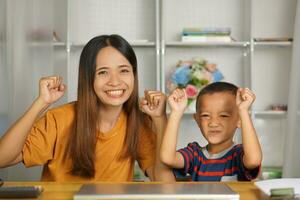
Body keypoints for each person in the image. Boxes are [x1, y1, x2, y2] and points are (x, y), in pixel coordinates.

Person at [0, 34, 169, 182]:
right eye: (103, 72)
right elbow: (3, 159)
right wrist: (41, 103)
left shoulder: (137, 123)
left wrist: (160, 119)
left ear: (134, 74)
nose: (115, 81)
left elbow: (164, 183)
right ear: (88, 78)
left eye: (124, 70)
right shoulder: (59, 120)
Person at [160, 82, 262, 181]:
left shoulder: (238, 154)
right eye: (205, 115)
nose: (213, 123)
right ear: (197, 120)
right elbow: (167, 158)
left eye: (223, 116)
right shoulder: (195, 155)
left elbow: (254, 160)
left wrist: (243, 111)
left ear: (240, 121)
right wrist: (176, 112)